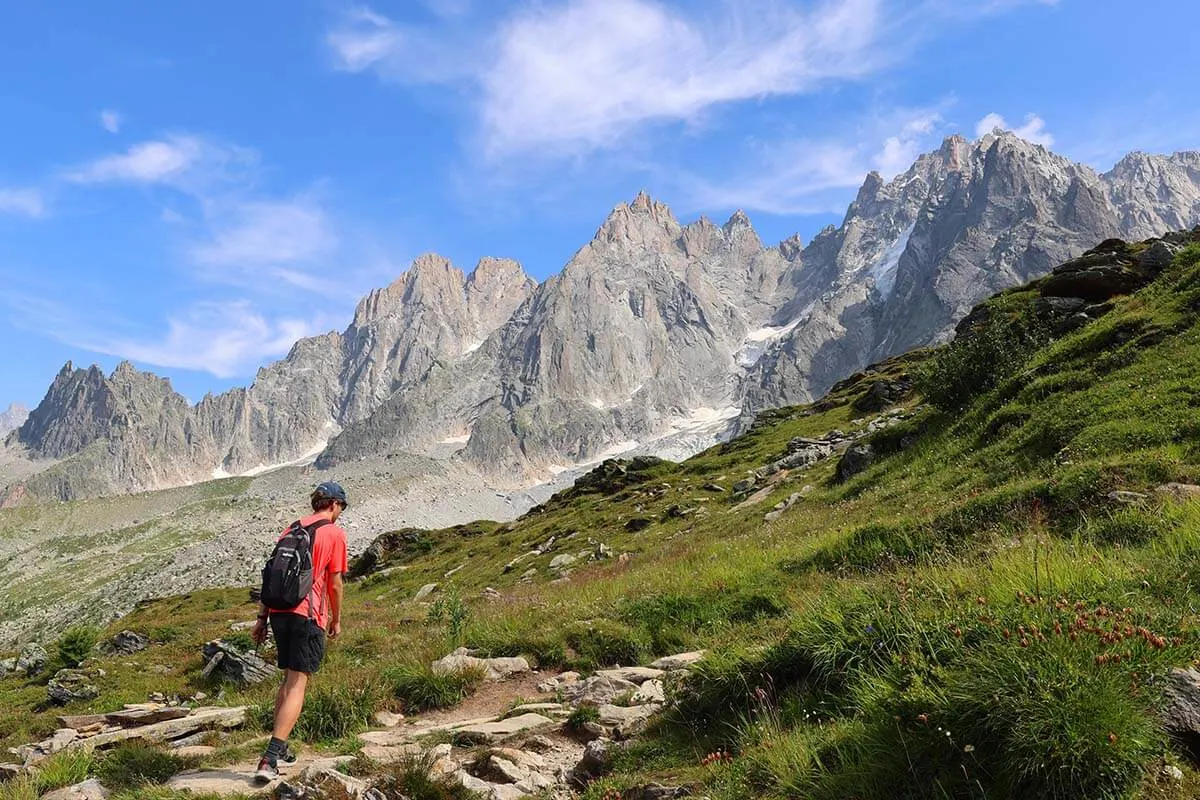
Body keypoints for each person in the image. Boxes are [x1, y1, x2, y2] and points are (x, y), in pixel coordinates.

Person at [251, 481, 349, 783]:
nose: (341, 514)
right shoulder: (333, 533)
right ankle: (270, 758)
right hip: (308, 615)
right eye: (342, 508)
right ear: (334, 504)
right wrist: (335, 620)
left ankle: (280, 747)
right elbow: (334, 583)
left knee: (287, 680)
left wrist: (261, 619)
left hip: (278, 613)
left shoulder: (291, 529)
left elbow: (271, 575)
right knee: (297, 684)